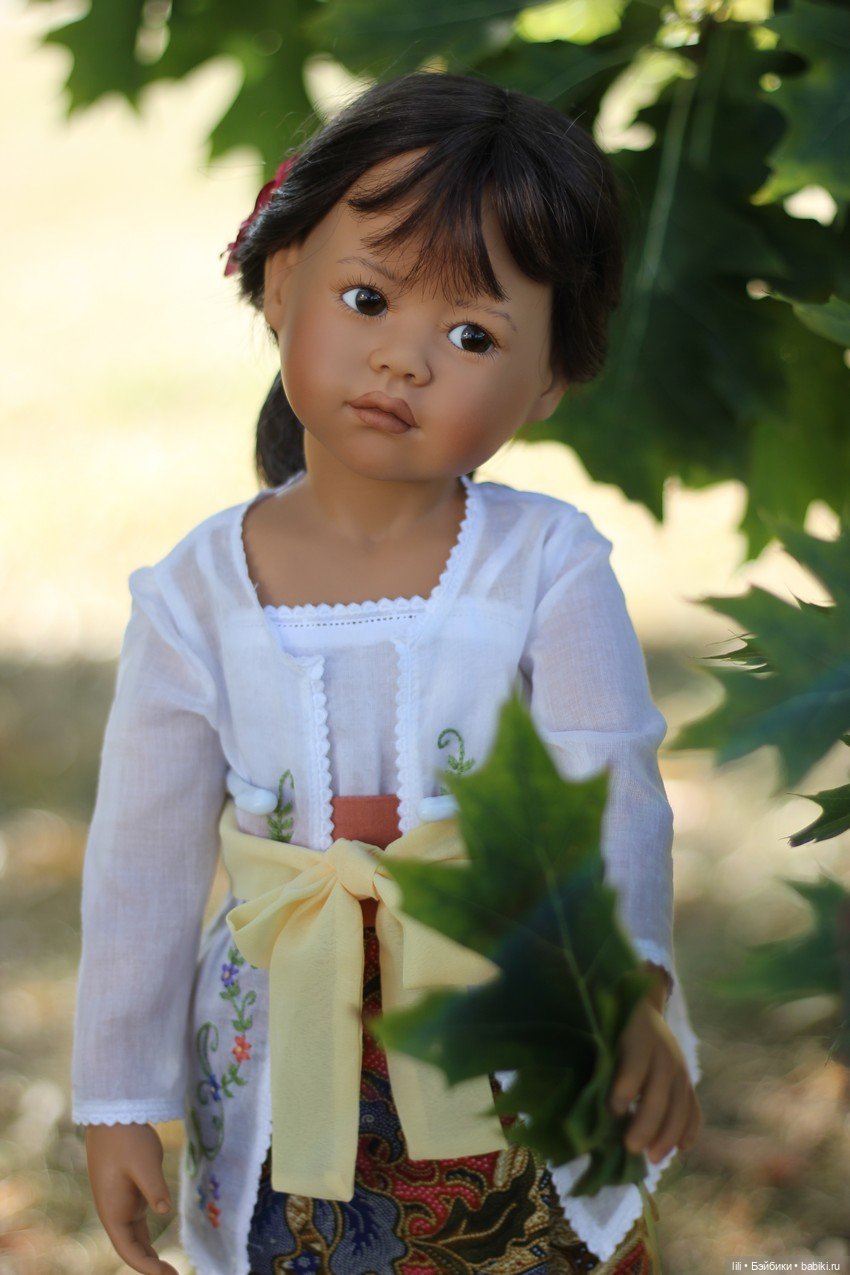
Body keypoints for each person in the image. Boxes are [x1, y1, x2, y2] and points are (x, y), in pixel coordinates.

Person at [72, 70, 702, 1275]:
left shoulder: (545, 566)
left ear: (549, 380)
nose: (404, 360)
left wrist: (631, 986)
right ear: (279, 284)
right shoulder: (195, 594)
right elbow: (141, 864)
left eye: (473, 336)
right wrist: (117, 1098)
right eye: (366, 298)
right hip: (283, 1053)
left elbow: (611, 785)